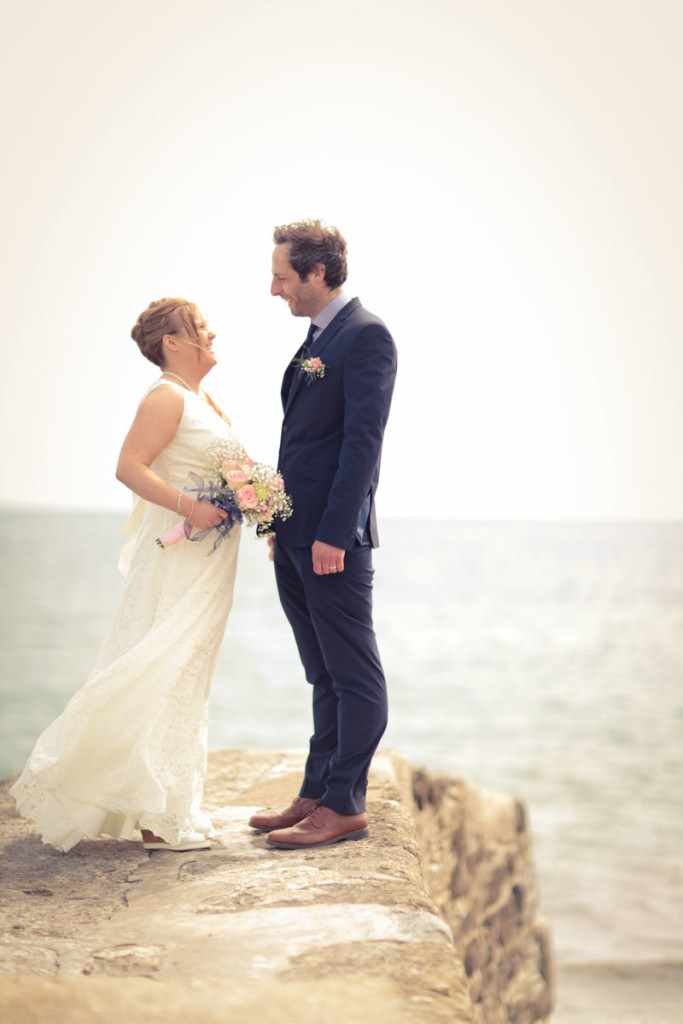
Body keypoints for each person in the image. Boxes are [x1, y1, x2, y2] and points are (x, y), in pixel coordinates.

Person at [11, 298, 239, 853]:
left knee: (191, 672)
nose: (211, 332)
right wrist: (191, 506)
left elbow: (229, 468)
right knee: (166, 666)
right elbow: (128, 466)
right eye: (199, 328)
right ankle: (157, 818)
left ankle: (177, 800)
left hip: (211, 561)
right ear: (172, 343)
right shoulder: (164, 396)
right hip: (183, 558)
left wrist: (263, 504)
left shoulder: (199, 398)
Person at [249, 220, 397, 849]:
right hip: (295, 535)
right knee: (323, 674)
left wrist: (335, 533)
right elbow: (304, 445)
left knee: (353, 672)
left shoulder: (365, 337)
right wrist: (279, 522)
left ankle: (346, 804)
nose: (274, 287)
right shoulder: (317, 338)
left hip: (334, 541)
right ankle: (316, 791)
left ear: (316, 272)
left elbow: (362, 444)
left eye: (283, 276)